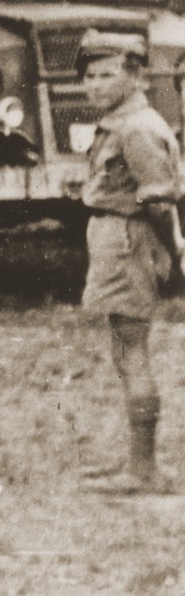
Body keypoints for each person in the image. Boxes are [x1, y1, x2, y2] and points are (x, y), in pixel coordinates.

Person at [76, 29, 179, 495]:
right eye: (89, 76)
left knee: (131, 351)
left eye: (106, 75)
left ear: (136, 76)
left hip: (127, 242)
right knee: (124, 351)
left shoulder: (136, 127)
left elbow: (158, 201)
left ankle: (143, 470)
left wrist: (173, 253)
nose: (94, 85)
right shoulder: (124, 121)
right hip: (118, 237)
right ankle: (137, 463)